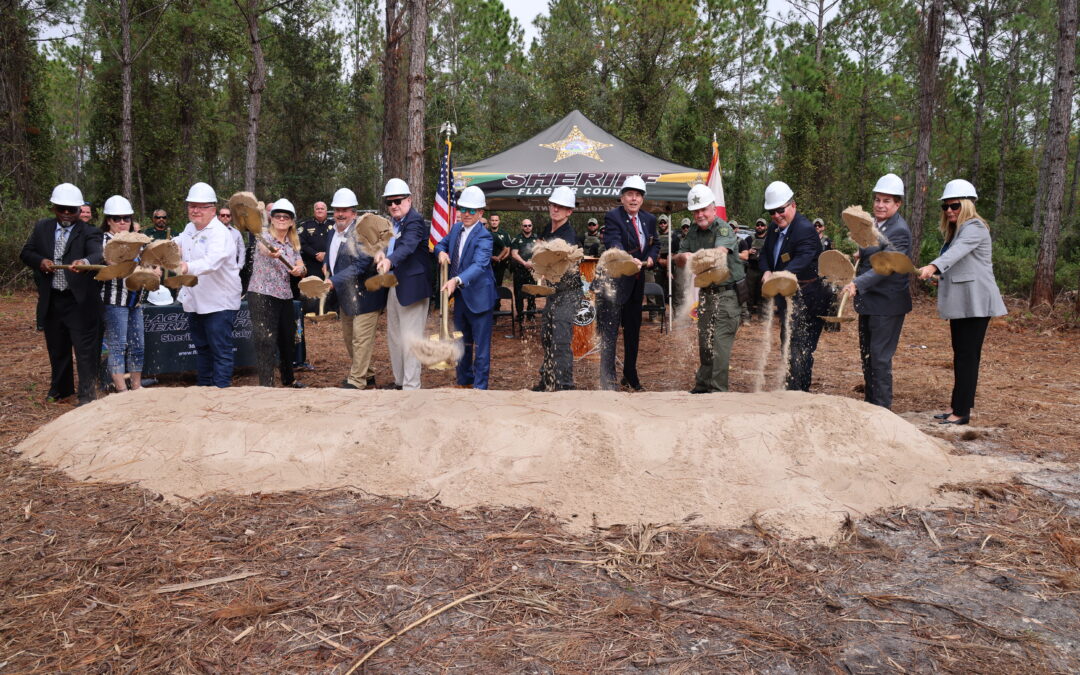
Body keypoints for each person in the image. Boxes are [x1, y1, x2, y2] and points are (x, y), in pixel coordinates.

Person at [917, 179, 1007, 426]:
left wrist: (934, 265)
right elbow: (960, 264)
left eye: (954, 205)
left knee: (967, 356)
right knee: (961, 355)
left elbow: (957, 254)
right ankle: (958, 406)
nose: (949, 211)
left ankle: (962, 413)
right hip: (965, 303)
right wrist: (940, 276)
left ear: (967, 204)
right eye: (945, 207)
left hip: (976, 303)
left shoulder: (975, 227)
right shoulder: (957, 231)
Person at [20, 183, 104, 405]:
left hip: (80, 302)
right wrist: (41, 262)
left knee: (85, 350)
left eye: (71, 210)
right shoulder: (42, 228)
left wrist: (84, 262)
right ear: (54, 208)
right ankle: (61, 388)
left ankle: (87, 394)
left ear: (79, 210)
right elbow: (26, 252)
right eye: (61, 209)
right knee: (57, 347)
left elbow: (98, 254)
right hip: (53, 299)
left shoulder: (90, 231)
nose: (66, 214)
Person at [840, 173, 912, 409]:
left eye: (887, 201)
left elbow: (887, 266)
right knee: (868, 357)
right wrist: (863, 254)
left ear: (898, 204)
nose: (880, 205)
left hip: (887, 305)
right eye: (878, 200)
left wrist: (857, 284)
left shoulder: (899, 230)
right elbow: (874, 251)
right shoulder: (873, 224)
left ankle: (882, 411)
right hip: (870, 303)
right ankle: (870, 407)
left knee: (879, 359)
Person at [758, 181, 832, 392]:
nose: (776, 215)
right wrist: (766, 271)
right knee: (787, 344)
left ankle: (799, 392)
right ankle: (790, 387)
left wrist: (779, 275)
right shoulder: (773, 228)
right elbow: (765, 254)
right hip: (786, 295)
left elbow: (802, 260)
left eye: (780, 210)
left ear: (793, 205)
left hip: (808, 297)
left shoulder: (805, 230)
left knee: (801, 348)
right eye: (772, 211)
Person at [675, 185, 744, 393]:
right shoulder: (693, 231)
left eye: (704, 209)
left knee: (720, 346)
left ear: (714, 208)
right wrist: (682, 258)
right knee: (705, 343)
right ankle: (703, 387)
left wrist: (695, 257)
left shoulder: (723, 229)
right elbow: (678, 258)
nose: (700, 214)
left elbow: (720, 253)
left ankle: (718, 392)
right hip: (706, 294)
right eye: (696, 211)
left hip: (727, 294)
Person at [175, 182, 242, 387]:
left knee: (220, 350)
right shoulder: (189, 228)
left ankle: (220, 391)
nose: (195, 210)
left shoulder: (220, 233)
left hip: (219, 302)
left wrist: (186, 267)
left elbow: (212, 262)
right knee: (202, 347)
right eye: (192, 206)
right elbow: (178, 243)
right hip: (196, 299)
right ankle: (203, 389)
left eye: (201, 207)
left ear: (213, 210)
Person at [597, 175, 658, 391]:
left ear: (642, 199)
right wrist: (624, 257)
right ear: (622, 198)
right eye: (629, 195)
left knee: (633, 331)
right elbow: (612, 240)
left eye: (638, 195)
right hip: (615, 283)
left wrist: (650, 258)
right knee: (610, 331)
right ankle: (608, 379)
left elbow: (655, 243)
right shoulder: (613, 216)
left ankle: (630, 375)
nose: (634, 199)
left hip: (637, 283)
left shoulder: (649, 219)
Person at [434, 186, 497, 389]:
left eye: (472, 210)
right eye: (463, 209)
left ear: (480, 213)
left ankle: (480, 387)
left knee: (481, 347)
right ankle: (464, 381)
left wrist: (456, 280)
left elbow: (479, 265)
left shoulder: (485, 237)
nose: (466, 214)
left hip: (479, 298)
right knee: (461, 343)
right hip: (461, 299)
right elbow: (440, 244)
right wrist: (440, 253)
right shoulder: (455, 229)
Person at [375, 178, 433, 390]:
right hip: (394, 285)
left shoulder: (415, 221)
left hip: (413, 288)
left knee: (410, 340)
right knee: (395, 338)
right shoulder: (392, 224)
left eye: (398, 201)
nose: (393, 206)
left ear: (409, 200)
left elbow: (408, 246)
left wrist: (390, 260)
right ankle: (400, 382)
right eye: (389, 203)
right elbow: (387, 245)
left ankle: (411, 386)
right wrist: (380, 254)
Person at [325, 188, 385, 390]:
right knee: (350, 339)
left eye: (345, 210)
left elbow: (361, 265)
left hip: (365, 296)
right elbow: (332, 255)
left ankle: (357, 380)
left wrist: (334, 279)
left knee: (361, 339)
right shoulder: (333, 232)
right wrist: (327, 264)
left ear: (353, 213)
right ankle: (367, 375)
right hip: (346, 297)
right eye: (337, 210)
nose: (340, 214)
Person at [247, 198, 307, 388]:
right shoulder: (263, 236)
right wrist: (271, 251)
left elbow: (300, 264)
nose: (281, 219)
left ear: (291, 222)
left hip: (285, 296)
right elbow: (263, 248)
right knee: (265, 341)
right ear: (271, 219)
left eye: (286, 216)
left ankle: (289, 379)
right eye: (278, 215)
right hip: (261, 295)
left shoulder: (292, 244)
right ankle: (267, 385)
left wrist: (300, 270)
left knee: (288, 340)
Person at [530, 186, 582, 392]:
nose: (556, 210)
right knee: (547, 336)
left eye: (561, 207)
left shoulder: (567, 235)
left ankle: (564, 385)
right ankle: (548, 380)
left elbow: (549, 257)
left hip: (569, 292)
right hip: (554, 292)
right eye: (553, 205)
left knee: (560, 338)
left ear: (569, 211)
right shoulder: (547, 229)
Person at [98, 196, 147, 393]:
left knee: (138, 345)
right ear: (108, 220)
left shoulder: (137, 241)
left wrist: (152, 269)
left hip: (135, 300)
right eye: (117, 219)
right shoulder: (104, 241)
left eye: (125, 218)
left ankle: (136, 386)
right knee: (118, 345)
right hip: (114, 300)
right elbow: (111, 263)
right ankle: (121, 389)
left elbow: (145, 264)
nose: (121, 222)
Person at [510, 218, 539, 319]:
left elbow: (540, 253)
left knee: (532, 292)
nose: (527, 227)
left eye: (529, 225)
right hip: (519, 270)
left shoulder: (537, 239)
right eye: (525, 225)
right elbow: (514, 253)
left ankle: (531, 313)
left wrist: (532, 262)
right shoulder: (517, 239)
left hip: (532, 270)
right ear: (522, 227)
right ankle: (520, 314)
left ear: (532, 226)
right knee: (519, 294)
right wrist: (524, 263)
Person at [299, 201, 334, 280]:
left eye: (322, 208)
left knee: (331, 289)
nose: (320, 210)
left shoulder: (334, 225)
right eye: (317, 209)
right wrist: (315, 254)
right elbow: (301, 243)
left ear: (326, 211)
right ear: (314, 211)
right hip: (312, 265)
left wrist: (326, 254)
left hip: (330, 264)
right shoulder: (305, 225)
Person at [487, 213, 513, 286]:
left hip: (500, 264)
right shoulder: (485, 233)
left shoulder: (505, 234)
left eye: (496, 220)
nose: (494, 222)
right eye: (492, 220)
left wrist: (499, 259)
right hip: (487, 263)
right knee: (487, 284)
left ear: (499, 221)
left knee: (498, 284)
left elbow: (508, 250)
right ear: (489, 221)